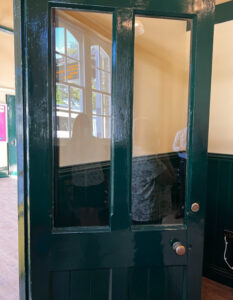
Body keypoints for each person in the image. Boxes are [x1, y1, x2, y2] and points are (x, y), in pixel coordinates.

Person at [172, 127, 187, 219]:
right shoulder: (180, 133)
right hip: (183, 161)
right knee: (182, 186)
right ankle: (181, 209)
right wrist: (183, 148)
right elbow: (173, 147)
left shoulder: (198, 134)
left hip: (195, 162)